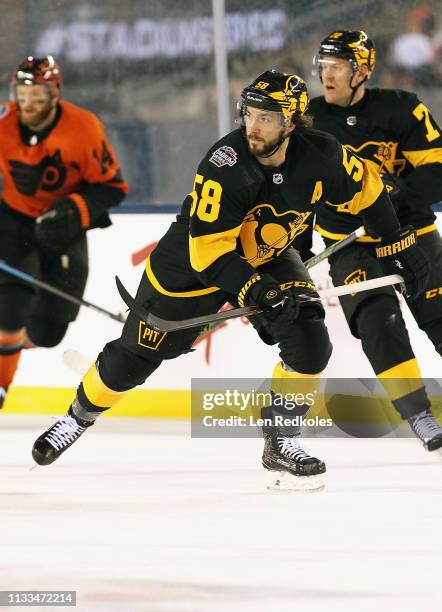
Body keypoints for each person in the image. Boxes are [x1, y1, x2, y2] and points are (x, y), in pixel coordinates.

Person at [32, 69, 428, 490]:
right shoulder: (227, 163)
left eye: (267, 118)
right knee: (136, 357)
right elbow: (209, 252)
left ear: (291, 123)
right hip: (193, 262)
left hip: (270, 254)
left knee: (311, 341)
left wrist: (399, 247)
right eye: (250, 114)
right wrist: (256, 289)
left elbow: (369, 190)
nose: (253, 127)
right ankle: (77, 417)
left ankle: (281, 438)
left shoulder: (322, 154)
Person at [309, 30, 442, 451]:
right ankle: (419, 415)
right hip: (350, 246)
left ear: (362, 70)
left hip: (411, 235)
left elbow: (438, 166)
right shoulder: (307, 122)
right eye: (323, 67)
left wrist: (397, 194)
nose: (327, 76)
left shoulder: (402, 108)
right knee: (377, 323)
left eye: (337, 67)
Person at [0, 56, 128, 410]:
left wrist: (74, 209)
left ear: (54, 93)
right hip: (13, 219)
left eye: (37, 95)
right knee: (9, 308)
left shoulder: (83, 128)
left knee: (49, 332)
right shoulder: (3, 121)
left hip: (62, 226)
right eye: (22, 94)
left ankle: (11, 346)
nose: (27, 103)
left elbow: (114, 187)